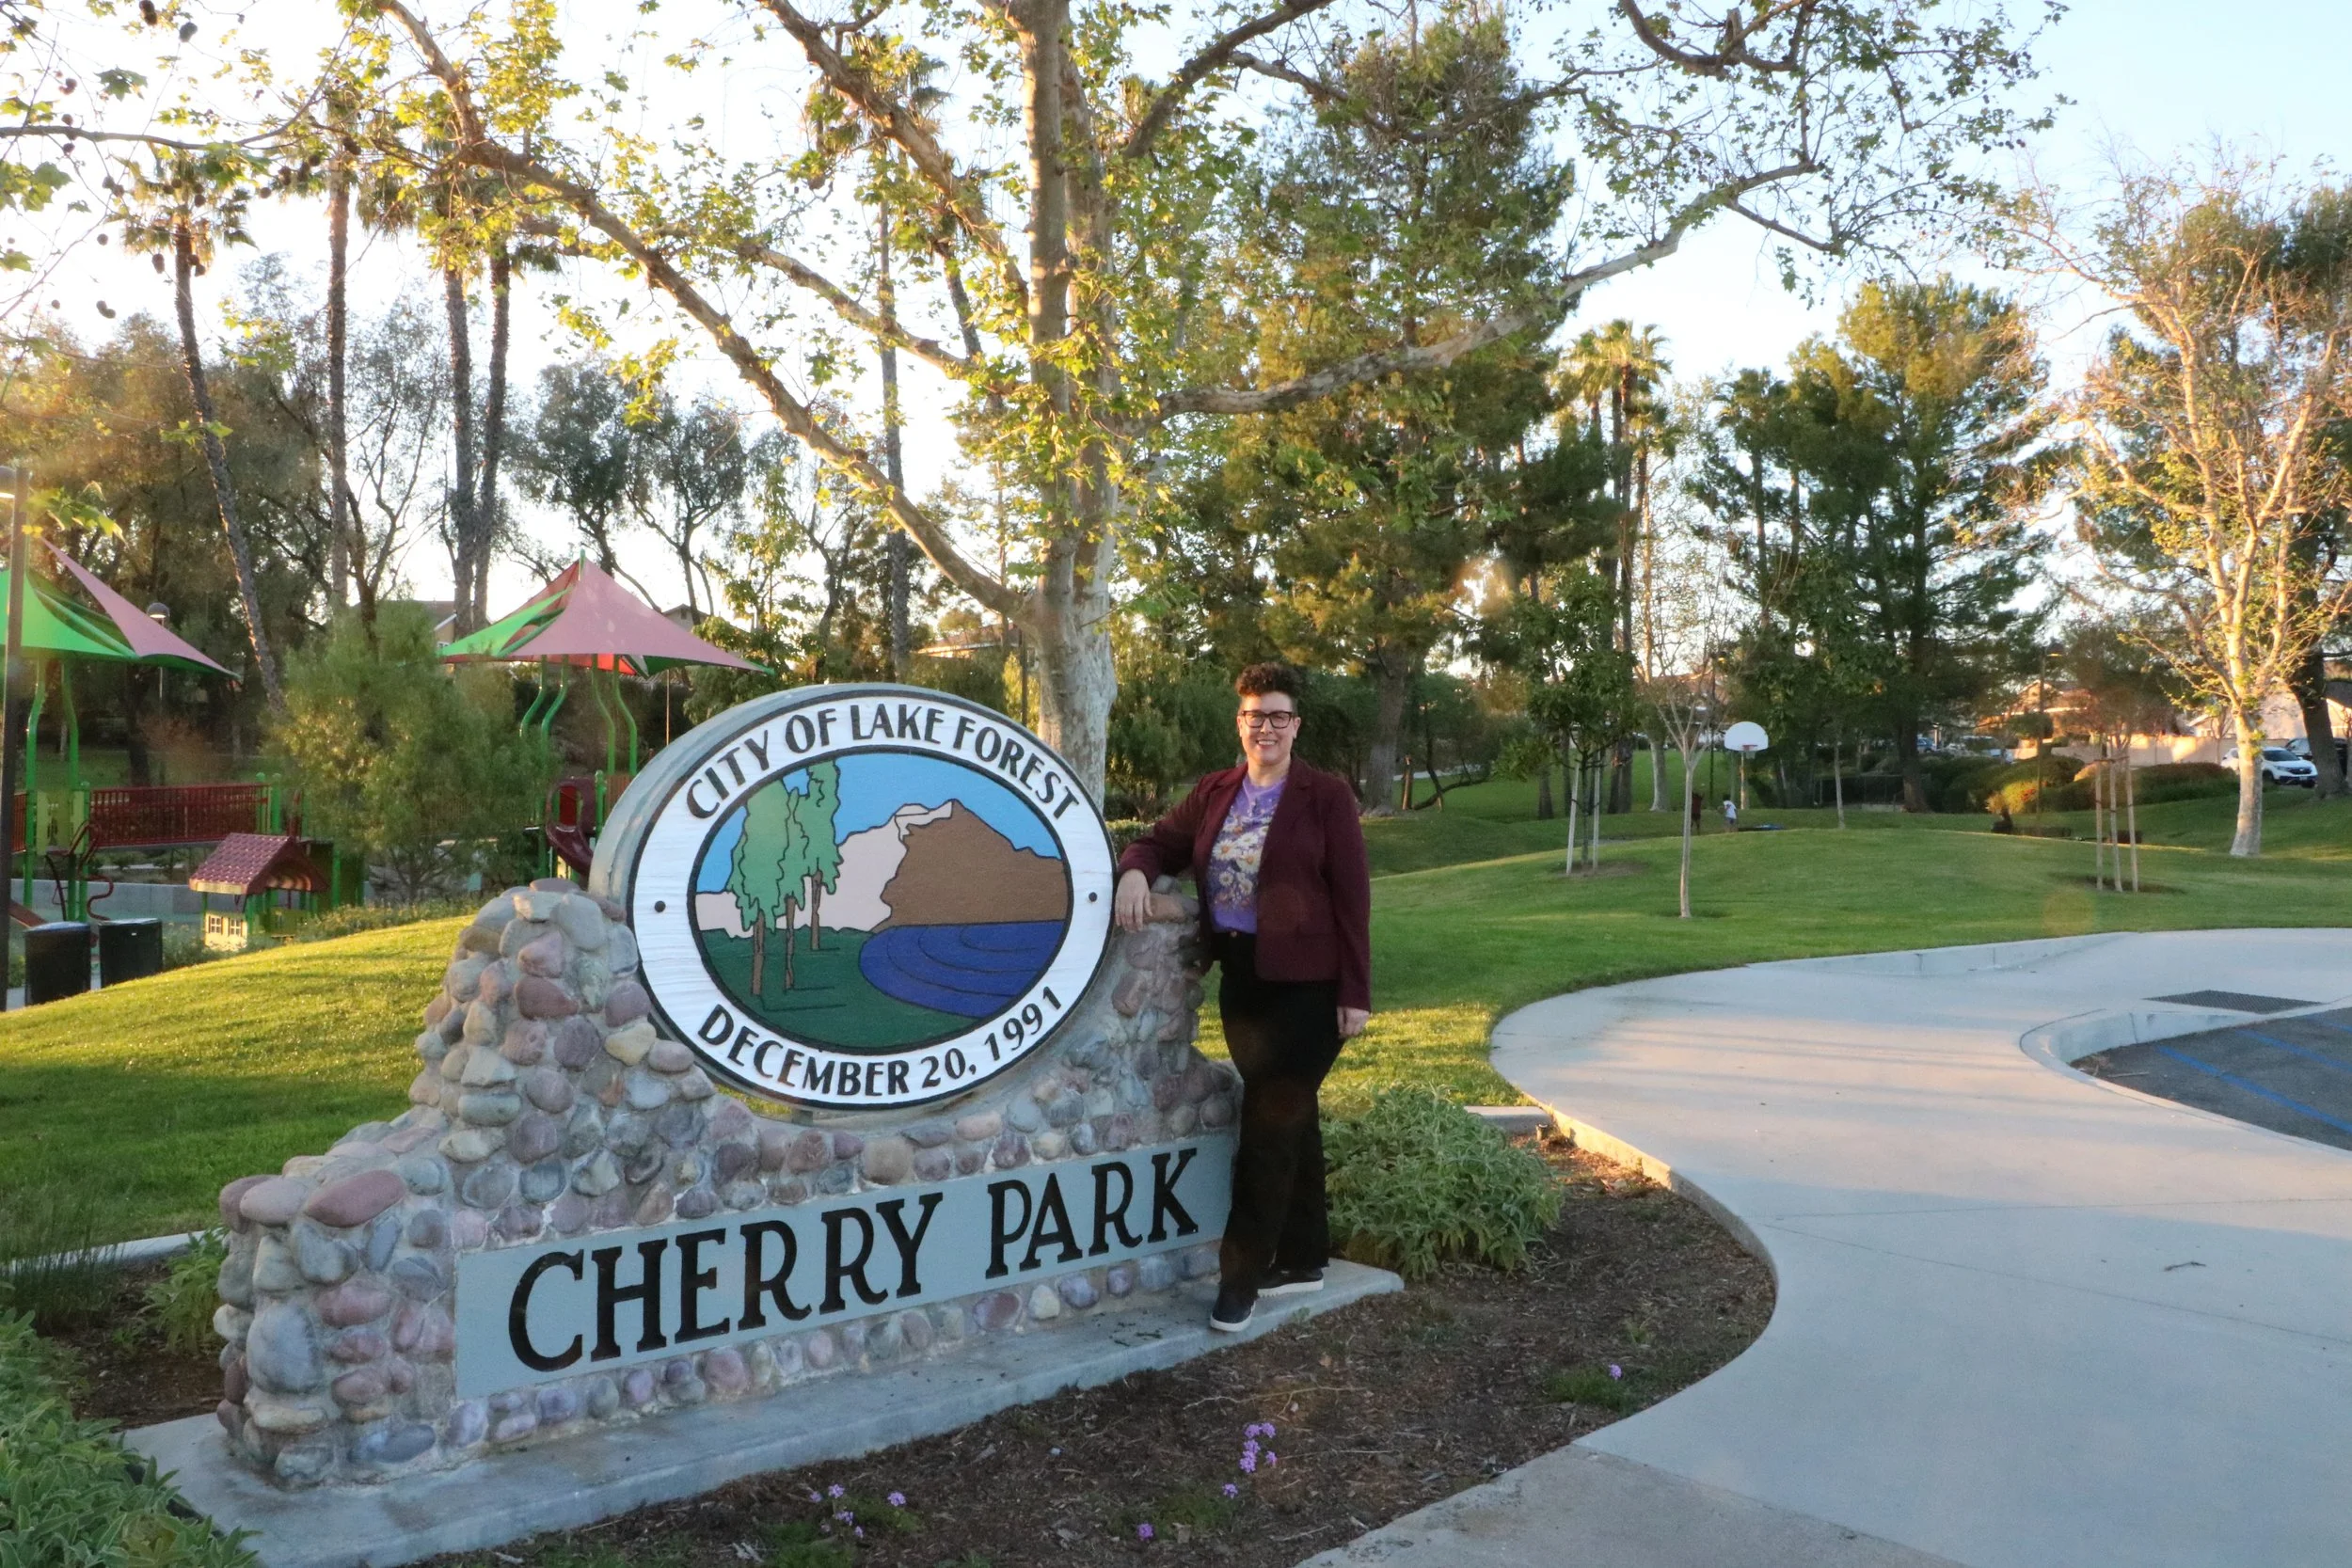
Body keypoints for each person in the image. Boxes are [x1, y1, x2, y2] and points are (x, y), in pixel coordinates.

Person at [1113, 662, 1372, 1334]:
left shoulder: (1326, 796)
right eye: (1256, 714)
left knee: (1266, 1125)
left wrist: (1356, 993)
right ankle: (1307, 1254)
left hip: (1310, 990)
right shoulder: (1215, 791)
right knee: (1290, 1115)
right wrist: (1136, 874)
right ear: (1241, 721)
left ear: (1296, 725)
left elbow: (1353, 900)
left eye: (1279, 715)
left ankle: (1240, 1277)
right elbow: (1157, 841)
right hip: (1244, 982)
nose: (1267, 726)